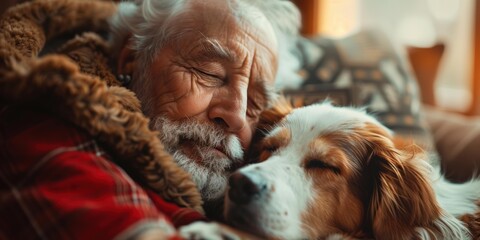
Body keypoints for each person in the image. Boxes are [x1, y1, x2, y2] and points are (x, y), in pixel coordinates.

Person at [0, 0, 301, 239]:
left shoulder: (252, 178)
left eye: (255, 103)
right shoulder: (46, 132)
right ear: (132, 59)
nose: (236, 115)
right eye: (209, 74)